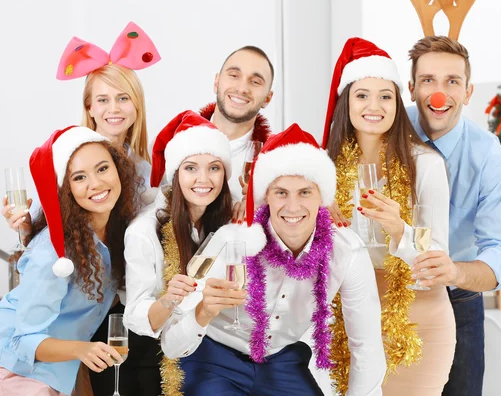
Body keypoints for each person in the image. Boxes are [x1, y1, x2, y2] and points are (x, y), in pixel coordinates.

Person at [160, 123, 386, 396]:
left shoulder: (347, 252)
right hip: (214, 357)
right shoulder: (230, 240)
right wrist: (203, 311)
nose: (292, 207)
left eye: (305, 192)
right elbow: (170, 344)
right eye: (281, 192)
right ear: (265, 196)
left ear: (323, 198)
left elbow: (367, 346)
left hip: (280, 360)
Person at [0, 21, 164, 396]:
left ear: (137, 106)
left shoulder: (147, 168)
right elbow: (51, 241)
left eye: (123, 98)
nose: (114, 108)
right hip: (82, 309)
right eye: (103, 99)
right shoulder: (66, 159)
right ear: (89, 107)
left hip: (128, 302)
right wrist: (25, 226)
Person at [323, 38, 454, 395]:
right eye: (362, 95)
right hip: (345, 318)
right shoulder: (323, 170)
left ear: (398, 103)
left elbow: (435, 250)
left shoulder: (425, 165)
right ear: (345, 103)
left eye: (385, 96)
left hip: (417, 319)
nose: (374, 106)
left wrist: (401, 229)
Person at [0, 126, 140, 395]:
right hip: (14, 369)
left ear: (119, 169)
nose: (96, 184)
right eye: (79, 177)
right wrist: (83, 350)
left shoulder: (121, 231)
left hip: (62, 366)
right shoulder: (53, 252)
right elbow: (23, 341)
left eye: (102, 169)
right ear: (66, 190)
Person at [405, 35, 501, 396]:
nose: (440, 94)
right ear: (411, 88)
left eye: (452, 82)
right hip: (387, 296)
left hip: (458, 302)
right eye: (428, 81)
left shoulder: (490, 159)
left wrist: (454, 271)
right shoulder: (386, 130)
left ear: (468, 93)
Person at [122, 110, 234, 395]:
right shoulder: (144, 231)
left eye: (214, 167)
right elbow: (135, 316)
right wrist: (170, 299)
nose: (203, 179)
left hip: (209, 353)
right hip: (154, 363)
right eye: (191, 168)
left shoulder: (223, 217)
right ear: (175, 173)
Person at [198, 45, 273, 215]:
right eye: (233, 75)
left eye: (255, 82)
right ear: (216, 82)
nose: (242, 88)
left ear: (267, 98)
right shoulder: (174, 141)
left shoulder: (275, 161)